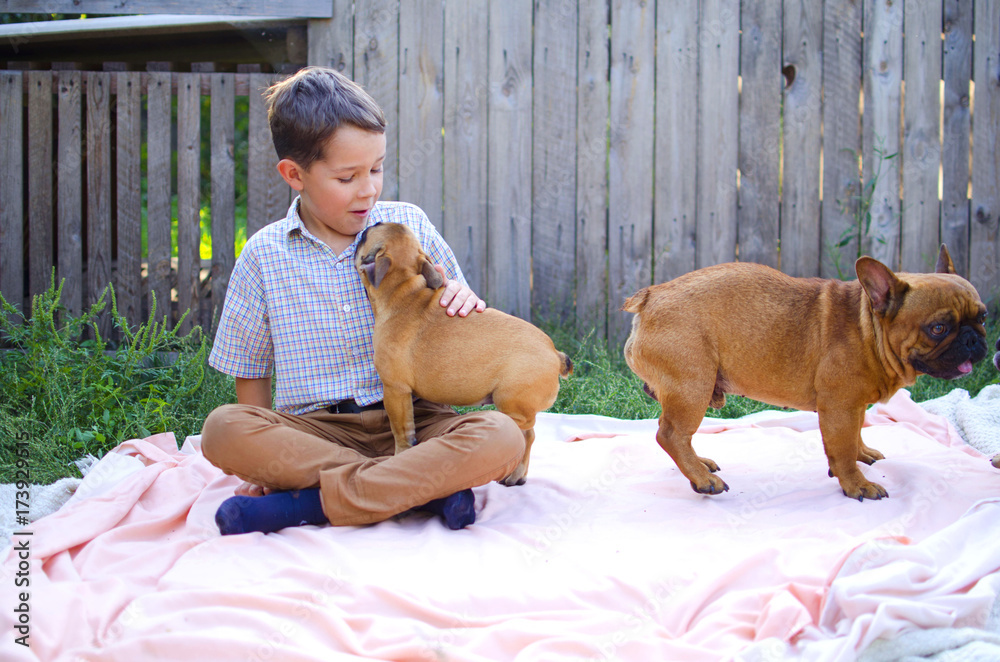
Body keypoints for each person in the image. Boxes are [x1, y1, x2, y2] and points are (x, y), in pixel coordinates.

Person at [200, 66, 525, 534]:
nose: (369, 188)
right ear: (295, 174)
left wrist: (460, 298)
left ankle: (306, 505)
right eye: (348, 176)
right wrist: (262, 466)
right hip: (315, 432)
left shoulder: (406, 227)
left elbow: (459, 313)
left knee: (503, 435)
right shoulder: (263, 255)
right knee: (223, 429)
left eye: (376, 169)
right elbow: (250, 372)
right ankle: (422, 488)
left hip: (419, 419)